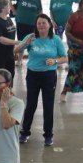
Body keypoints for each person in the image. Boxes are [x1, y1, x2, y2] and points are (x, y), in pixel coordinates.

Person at [14, 14, 67, 146]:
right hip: (33, 75)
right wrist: (26, 43)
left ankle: (48, 135)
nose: (41, 25)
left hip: (49, 76)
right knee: (31, 104)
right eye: (39, 23)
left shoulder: (55, 40)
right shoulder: (31, 37)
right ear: (36, 26)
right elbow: (16, 50)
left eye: (44, 23)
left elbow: (65, 57)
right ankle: (24, 132)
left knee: (48, 105)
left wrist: (55, 61)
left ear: (49, 24)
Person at [10, 0, 43, 64]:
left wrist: (41, 21)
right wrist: (13, 10)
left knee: (32, 41)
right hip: (20, 22)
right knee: (21, 41)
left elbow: (40, 10)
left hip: (32, 23)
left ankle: (32, 58)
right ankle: (19, 60)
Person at [0, 0, 19, 80]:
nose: (10, 8)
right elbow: (0, 39)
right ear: (2, 9)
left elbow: (11, 34)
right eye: (8, 6)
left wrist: (15, 47)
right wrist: (16, 42)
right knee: (0, 77)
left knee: (10, 76)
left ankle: (8, 92)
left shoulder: (8, 19)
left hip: (9, 53)